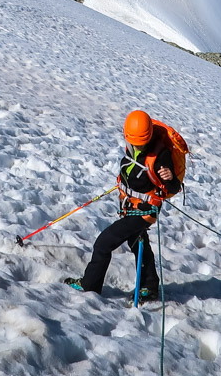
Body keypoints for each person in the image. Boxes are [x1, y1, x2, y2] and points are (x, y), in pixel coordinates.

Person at [65, 110, 188, 301]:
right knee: (138, 243)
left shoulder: (160, 156)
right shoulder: (132, 145)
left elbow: (173, 187)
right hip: (130, 207)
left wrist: (170, 178)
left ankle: (89, 286)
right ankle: (149, 286)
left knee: (103, 244)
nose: (138, 146)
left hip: (144, 211)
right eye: (135, 142)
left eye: (142, 142)